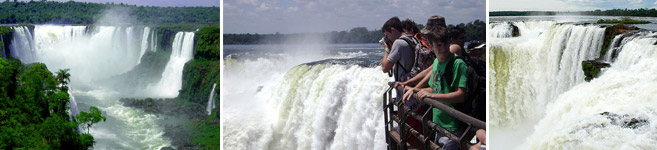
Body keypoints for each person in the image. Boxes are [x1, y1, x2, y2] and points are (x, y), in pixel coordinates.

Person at [401, 15, 467, 150]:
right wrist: (414, 90)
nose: (442, 49)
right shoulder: (437, 62)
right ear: (431, 46)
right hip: (438, 123)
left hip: (453, 126)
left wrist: (431, 96)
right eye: (438, 46)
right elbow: (434, 87)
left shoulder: (457, 63)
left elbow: (461, 95)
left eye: (445, 45)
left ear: (450, 43)